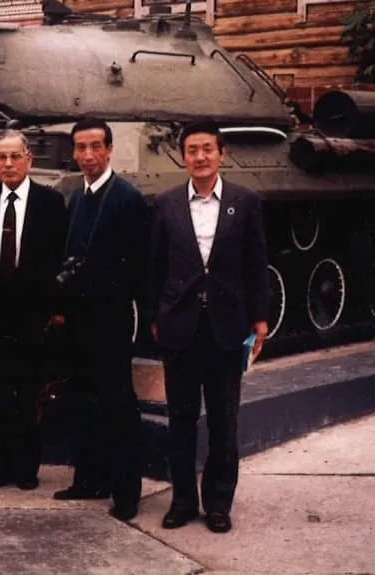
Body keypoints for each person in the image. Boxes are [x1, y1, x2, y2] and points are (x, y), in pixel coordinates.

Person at [149, 118, 269, 534]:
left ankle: (218, 503)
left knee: (224, 421)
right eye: (192, 150)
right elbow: (155, 268)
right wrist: (154, 317)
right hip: (179, 328)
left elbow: (257, 266)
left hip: (227, 328)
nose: (200, 157)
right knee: (180, 420)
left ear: (221, 154)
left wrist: (260, 318)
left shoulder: (245, 201)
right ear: (182, 157)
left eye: (207, 149)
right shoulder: (165, 205)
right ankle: (182, 501)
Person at [52, 119, 148, 522]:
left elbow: (141, 264)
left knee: (117, 403)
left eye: (95, 146)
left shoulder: (128, 198)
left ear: (109, 150)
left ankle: (126, 492)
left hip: (109, 317)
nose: (87, 155)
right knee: (82, 400)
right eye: (80, 147)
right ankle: (89, 479)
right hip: (78, 317)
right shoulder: (76, 197)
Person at [0, 130, 67, 491]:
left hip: (34, 315)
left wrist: (56, 312)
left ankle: (28, 468)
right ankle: (2, 467)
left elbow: (59, 259)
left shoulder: (51, 202)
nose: (8, 164)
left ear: (29, 159)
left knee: (29, 394)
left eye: (15, 156)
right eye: (1, 157)